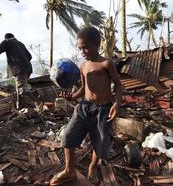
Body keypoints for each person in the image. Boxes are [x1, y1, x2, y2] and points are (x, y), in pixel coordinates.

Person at [50, 27, 123, 185]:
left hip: (103, 110)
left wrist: (116, 104)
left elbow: (118, 85)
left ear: (97, 44)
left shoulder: (106, 63)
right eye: (80, 48)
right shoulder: (83, 66)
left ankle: (92, 166)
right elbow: (83, 89)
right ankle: (69, 170)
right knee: (68, 135)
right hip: (84, 107)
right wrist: (72, 96)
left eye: (86, 47)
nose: (83, 51)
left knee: (101, 145)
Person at [0, 33, 32, 108]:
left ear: (6, 38)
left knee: (22, 90)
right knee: (22, 87)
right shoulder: (21, 44)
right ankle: (22, 107)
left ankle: (27, 108)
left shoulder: (7, 41)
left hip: (19, 69)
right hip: (28, 68)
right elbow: (30, 56)